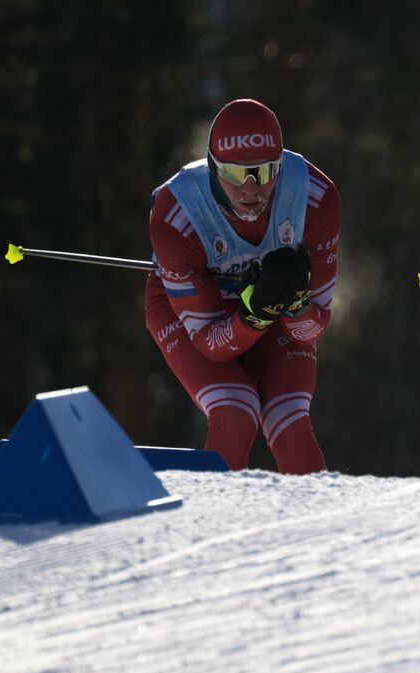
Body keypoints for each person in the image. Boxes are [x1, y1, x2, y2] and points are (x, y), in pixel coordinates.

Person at [146, 98, 339, 473]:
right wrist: (253, 317)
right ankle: (212, 524)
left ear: (281, 165)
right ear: (212, 169)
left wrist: (297, 304)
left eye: (266, 172)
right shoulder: (176, 214)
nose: (252, 190)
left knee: (291, 421)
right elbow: (209, 344)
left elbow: (312, 329)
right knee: (235, 411)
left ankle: (321, 529)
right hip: (193, 315)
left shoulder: (315, 199)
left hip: (269, 318)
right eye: (235, 175)